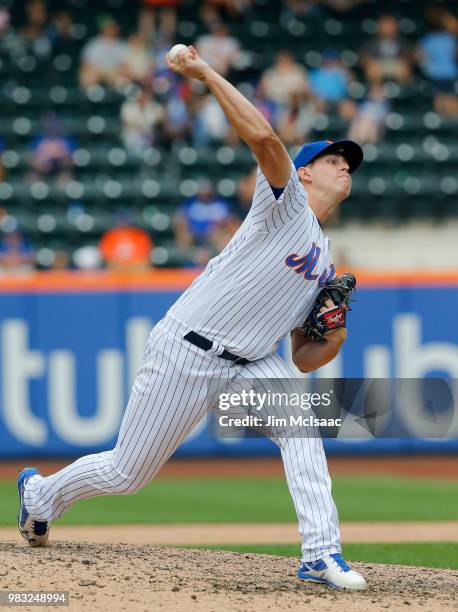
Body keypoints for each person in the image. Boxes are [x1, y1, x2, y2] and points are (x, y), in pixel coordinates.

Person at [17, 44, 367, 591]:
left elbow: (303, 357)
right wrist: (204, 72)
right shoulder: (284, 204)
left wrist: (337, 330)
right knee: (127, 474)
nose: (344, 164)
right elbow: (265, 140)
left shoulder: (326, 260)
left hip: (252, 362)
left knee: (303, 425)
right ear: (303, 176)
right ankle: (39, 496)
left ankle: (321, 554)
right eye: (331, 159)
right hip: (188, 349)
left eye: (348, 162)